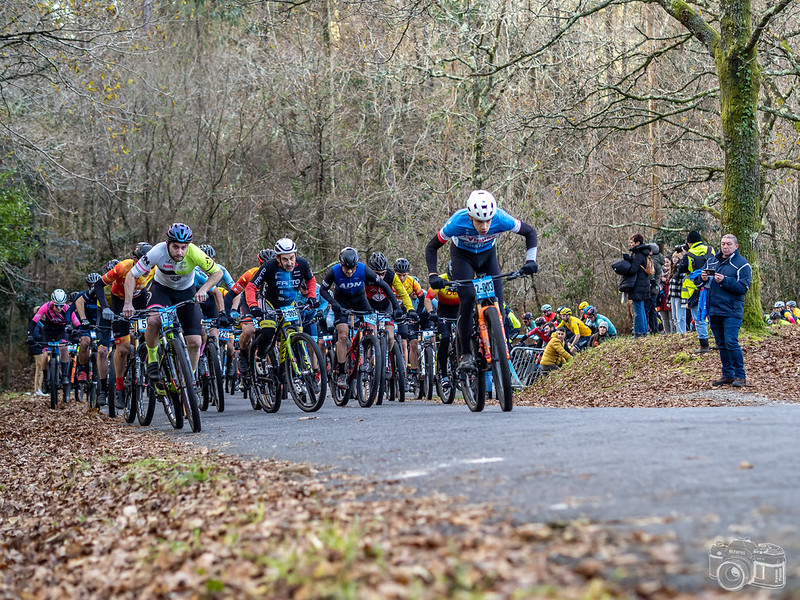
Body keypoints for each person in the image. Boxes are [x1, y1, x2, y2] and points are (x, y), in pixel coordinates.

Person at [424, 189, 538, 372]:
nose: (484, 226)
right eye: (479, 221)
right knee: (468, 298)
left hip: (487, 257)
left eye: (488, 221)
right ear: (470, 216)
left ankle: (498, 345)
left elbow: (530, 233)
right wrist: (433, 275)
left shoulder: (501, 218)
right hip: (463, 257)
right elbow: (432, 247)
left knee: (499, 303)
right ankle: (466, 354)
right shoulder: (457, 221)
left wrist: (530, 260)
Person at [123, 223, 223, 381]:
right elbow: (131, 275)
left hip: (186, 292)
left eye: (183, 247)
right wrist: (128, 303)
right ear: (168, 243)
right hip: (162, 290)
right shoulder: (158, 251)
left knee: (196, 342)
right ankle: (153, 360)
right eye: (175, 247)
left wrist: (203, 289)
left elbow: (218, 272)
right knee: (154, 321)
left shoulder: (195, 253)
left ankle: (189, 381)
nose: (180, 252)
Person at [320, 247, 402, 389]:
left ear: (357, 265)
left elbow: (384, 285)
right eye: (346, 268)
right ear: (341, 264)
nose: (350, 271)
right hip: (341, 303)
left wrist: (397, 307)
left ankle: (371, 359)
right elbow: (322, 290)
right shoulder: (333, 271)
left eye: (352, 268)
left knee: (371, 329)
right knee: (343, 335)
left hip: (360, 301)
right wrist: (333, 303)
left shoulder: (363, 269)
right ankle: (341, 372)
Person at [97, 242, 154, 408]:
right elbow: (99, 285)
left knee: (151, 334)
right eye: (144, 262)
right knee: (122, 349)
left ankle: (152, 374)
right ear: (135, 260)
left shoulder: (156, 267)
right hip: (119, 302)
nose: (148, 267)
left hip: (140, 298)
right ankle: (119, 389)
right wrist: (106, 308)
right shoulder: (122, 267)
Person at [697, 234, 751, 388]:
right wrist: (703, 279)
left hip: (732, 310)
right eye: (723, 244)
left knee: (731, 342)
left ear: (736, 246)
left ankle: (740, 375)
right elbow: (698, 282)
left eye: (728, 244)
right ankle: (727, 374)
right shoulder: (712, 261)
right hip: (714, 309)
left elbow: (743, 288)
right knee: (721, 343)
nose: (725, 247)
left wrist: (725, 281)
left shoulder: (742, 264)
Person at [28, 289, 81, 391]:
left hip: (61, 331)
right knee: (45, 353)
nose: (59, 308)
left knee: (64, 348)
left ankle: (65, 376)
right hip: (47, 331)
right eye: (57, 305)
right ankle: (45, 379)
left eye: (61, 305)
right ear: (52, 303)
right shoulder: (45, 307)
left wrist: (78, 334)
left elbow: (77, 324)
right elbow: (34, 322)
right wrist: (30, 335)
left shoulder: (67, 309)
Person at [678, 231, 715, 352]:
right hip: (711, 285)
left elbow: (681, 269)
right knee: (713, 315)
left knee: (699, 316)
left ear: (689, 242)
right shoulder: (711, 250)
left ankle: (704, 344)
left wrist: (684, 255)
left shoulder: (688, 254)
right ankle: (719, 341)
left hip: (694, 288)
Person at [618, 234, 652, 337]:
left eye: (632, 242)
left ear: (638, 243)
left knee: (637, 310)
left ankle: (638, 332)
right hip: (644, 284)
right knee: (641, 309)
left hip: (637, 285)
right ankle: (644, 331)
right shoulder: (644, 253)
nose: (630, 244)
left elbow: (633, 270)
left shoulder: (638, 254)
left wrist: (628, 261)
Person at [667, 249, 686, 333]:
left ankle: (682, 332)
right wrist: (668, 300)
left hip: (679, 297)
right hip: (673, 296)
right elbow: (670, 288)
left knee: (680, 317)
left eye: (677, 257)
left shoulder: (681, 270)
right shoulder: (672, 270)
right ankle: (678, 332)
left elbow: (682, 285)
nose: (674, 259)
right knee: (674, 317)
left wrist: (683, 300)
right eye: (673, 257)